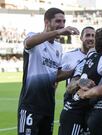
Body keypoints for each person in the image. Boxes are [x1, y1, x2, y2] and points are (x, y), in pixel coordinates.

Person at [18, 7, 79, 135]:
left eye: (63, 21)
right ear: (46, 22)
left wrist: (77, 69)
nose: (62, 25)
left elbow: (55, 75)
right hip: (31, 104)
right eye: (58, 21)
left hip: (48, 105)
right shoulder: (34, 37)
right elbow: (28, 43)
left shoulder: (58, 47)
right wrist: (59, 32)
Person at [58, 26, 95, 135]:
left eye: (93, 36)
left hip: (91, 103)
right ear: (81, 38)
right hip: (72, 102)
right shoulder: (68, 56)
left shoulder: (99, 57)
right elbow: (57, 77)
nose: (91, 38)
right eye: (88, 35)